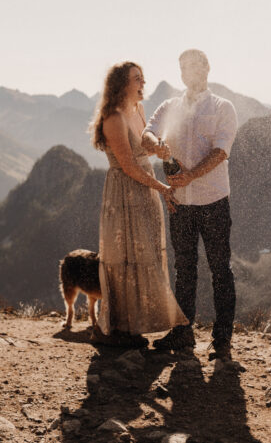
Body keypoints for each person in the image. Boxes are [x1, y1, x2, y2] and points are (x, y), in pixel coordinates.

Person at [142, 49, 239, 361]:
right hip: (181, 203)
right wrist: (156, 145)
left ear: (207, 68)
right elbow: (147, 133)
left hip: (213, 201)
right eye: (183, 67)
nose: (188, 72)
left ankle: (222, 340)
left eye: (194, 66)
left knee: (220, 269)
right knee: (184, 268)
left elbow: (221, 151)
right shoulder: (169, 106)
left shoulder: (223, 107)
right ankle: (183, 334)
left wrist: (190, 176)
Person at [89, 61, 188, 347]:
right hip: (124, 194)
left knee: (145, 257)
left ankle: (139, 324)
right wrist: (162, 188)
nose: (143, 83)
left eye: (143, 78)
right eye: (137, 79)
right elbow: (129, 166)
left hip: (145, 190)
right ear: (122, 84)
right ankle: (121, 329)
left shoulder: (138, 110)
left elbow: (142, 151)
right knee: (125, 257)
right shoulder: (114, 117)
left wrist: (159, 148)